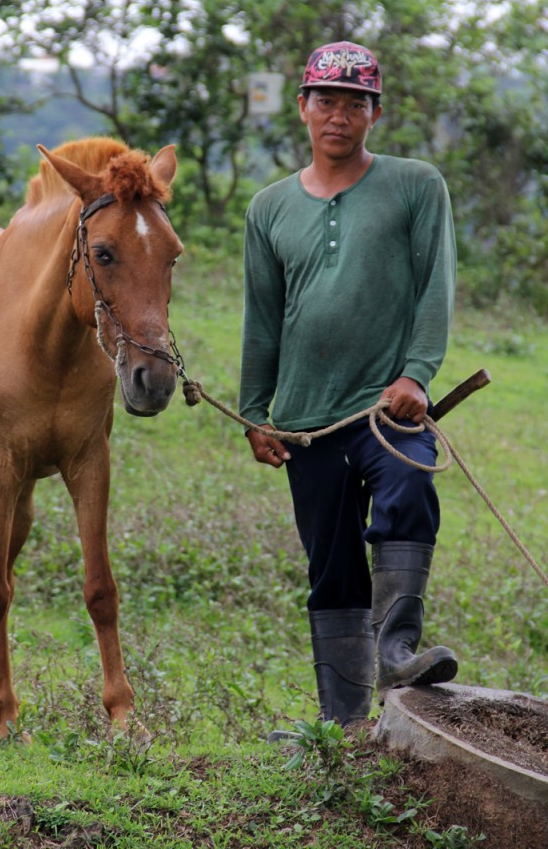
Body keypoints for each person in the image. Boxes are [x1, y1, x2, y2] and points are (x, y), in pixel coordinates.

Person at [239, 41, 458, 727]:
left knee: (411, 489)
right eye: (326, 100)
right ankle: (345, 727)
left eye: (354, 103)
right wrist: (254, 411)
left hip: (388, 414)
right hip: (308, 421)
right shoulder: (269, 209)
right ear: (303, 107)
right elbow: (263, 319)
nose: (339, 115)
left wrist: (416, 376)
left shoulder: (416, 185)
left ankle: (396, 655)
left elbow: (435, 290)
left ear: (375, 113)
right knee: (331, 569)